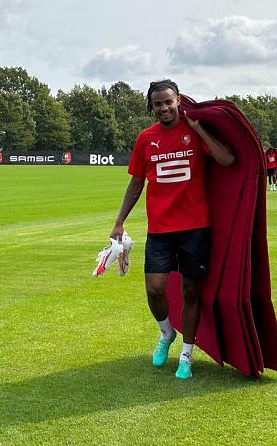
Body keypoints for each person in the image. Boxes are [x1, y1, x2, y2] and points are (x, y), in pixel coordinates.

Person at [110, 80, 234, 379]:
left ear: (178, 100)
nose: (164, 108)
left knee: (191, 292)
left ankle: (187, 355)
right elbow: (137, 182)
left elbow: (227, 159)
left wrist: (199, 128)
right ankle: (166, 333)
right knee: (154, 289)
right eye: (158, 104)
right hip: (161, 229)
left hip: (195, 228)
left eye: (168, 101)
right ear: (151, 107)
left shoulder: (194, 131)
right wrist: (119, 220)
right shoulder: (146, 138)